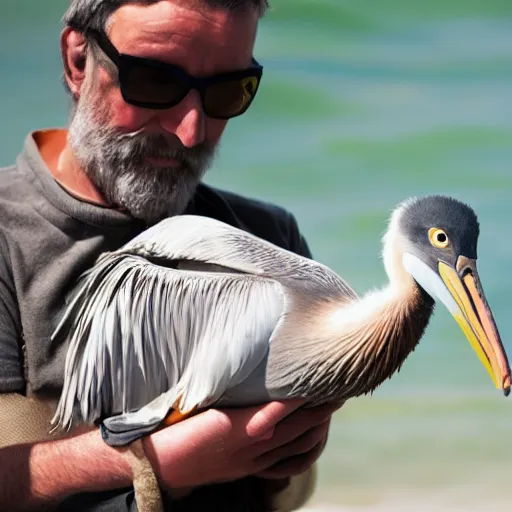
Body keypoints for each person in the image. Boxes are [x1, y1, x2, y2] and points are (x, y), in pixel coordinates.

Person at [0, 0, 339, 510]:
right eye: (155, 82)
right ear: (77, 60)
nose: (191, 131)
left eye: (228, 91)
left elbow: (287, 491)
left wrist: (285, 449)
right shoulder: (7, 238)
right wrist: (150, 459)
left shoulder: (269, 239)